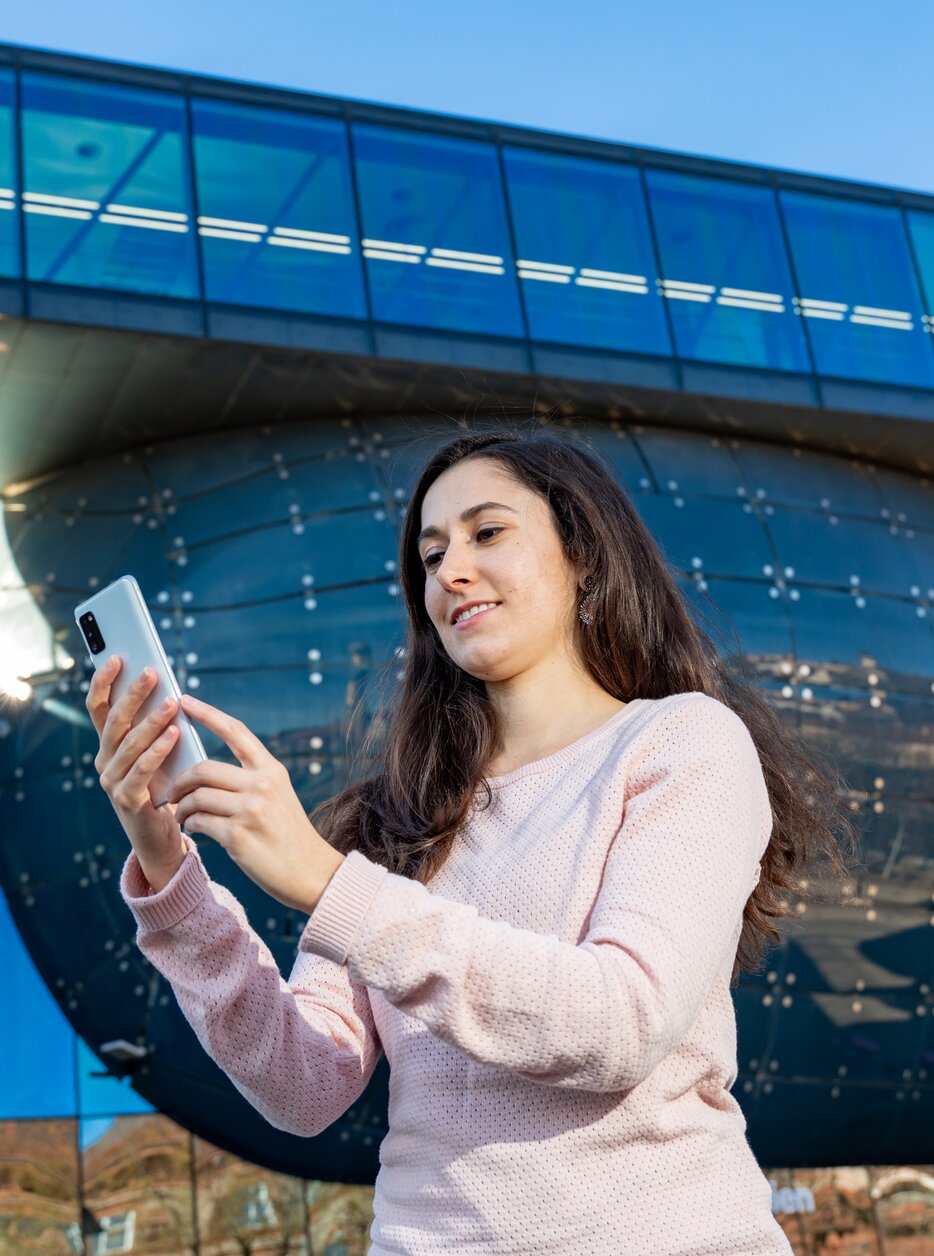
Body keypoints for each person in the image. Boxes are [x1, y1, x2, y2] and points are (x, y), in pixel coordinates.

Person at [88, 423, 855, 1255]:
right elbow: (303, 1088)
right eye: (430, 555)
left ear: (585, 557)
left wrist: (328, 884)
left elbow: (623, 1021)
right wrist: (170, 871)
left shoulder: (682, 742)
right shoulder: (396, 819)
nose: (450, 571)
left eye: (487, 533)